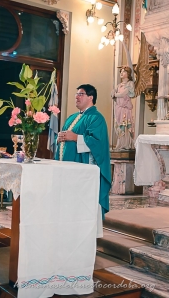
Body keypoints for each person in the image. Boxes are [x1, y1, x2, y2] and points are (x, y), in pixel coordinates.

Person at [55, 84, 111, 229]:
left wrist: (75, 137)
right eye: (76, 94)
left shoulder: (96, 118)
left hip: (83, 172)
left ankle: (83, 230)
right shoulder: (72, 117)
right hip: (67, 170)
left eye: (81, 94)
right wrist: (60, 138)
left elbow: (98, 144)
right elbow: (67, 139)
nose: (77, 96)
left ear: (90, 97)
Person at [111, 66, 135, 150]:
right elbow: (113, 94)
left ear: (128, 74)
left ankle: (126, 144)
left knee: (125, 125)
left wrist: (115, 94)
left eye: (124, 71)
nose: (121, 73)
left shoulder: (130, 84)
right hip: (119, 108)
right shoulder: (119, 85)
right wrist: (113, 93)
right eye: (121, 71)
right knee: (118, 125)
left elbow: (123, 94)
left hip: (126, 108)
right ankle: (120, 143)